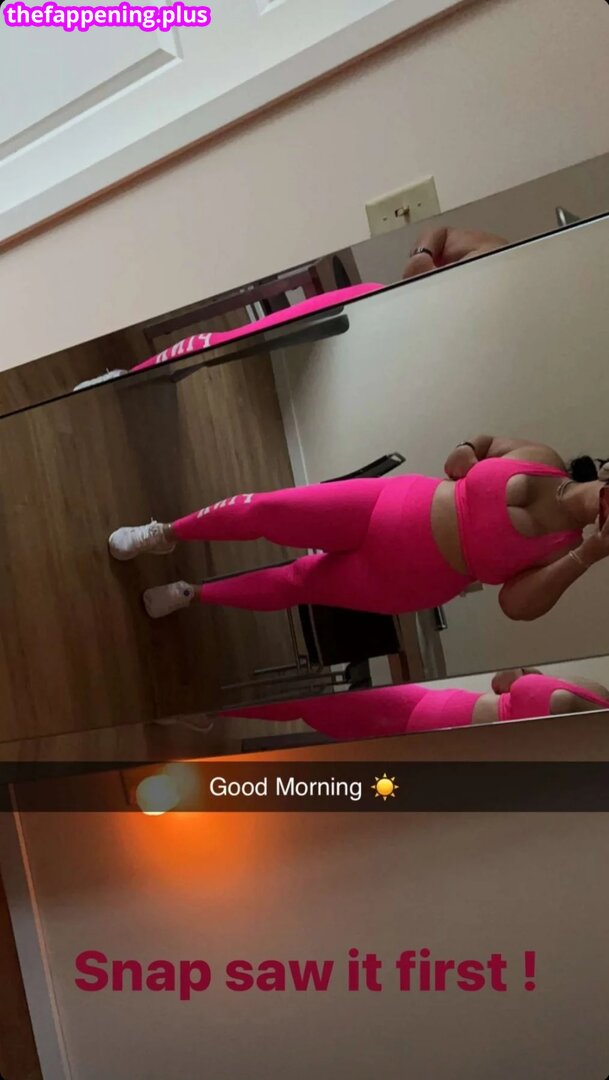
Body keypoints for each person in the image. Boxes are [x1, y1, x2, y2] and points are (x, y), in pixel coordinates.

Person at [107, 438, 609, 623]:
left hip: (409, 578)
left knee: (299, 582)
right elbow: (480, 444)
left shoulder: (566, 551)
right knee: (268, 509)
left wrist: (590, 553)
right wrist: (466, 452)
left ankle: (191, 593)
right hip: (389, 504)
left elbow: (515, 606)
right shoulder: (543, 458)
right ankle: (166, 532)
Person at [74, 227, 508, 389]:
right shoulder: (498, 249)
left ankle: (170, 372)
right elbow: (437, 236)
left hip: (383, 356)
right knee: (238, 339)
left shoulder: (505, 309)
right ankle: (134, 374)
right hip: (368, 302)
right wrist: (425, 256)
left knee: (260, 358)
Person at [212, 667, 609, 741]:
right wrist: (522, 676)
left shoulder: (590, 741)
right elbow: (501, 682)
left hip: (428, 740)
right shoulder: (595, 690)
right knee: (314, 707)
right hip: (428, 703)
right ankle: (212, 711)